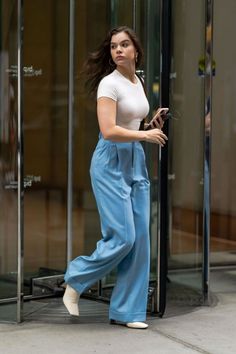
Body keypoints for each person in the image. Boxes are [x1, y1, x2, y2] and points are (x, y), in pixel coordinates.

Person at [63, 26, 168, 329]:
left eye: (124, 45)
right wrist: (145, 134)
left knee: (141, 242)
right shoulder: (108, 85)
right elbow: (109, 130)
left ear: (136, 50)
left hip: (134, 158)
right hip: (110, 160)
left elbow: (132, 122)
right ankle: (75, 280)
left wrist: (151, 123)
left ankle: (127, 312)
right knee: (123, 236)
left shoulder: (138, 80)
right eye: (113, 46)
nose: (118, 50)